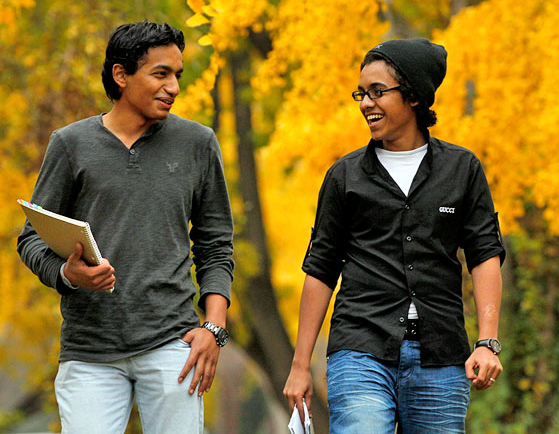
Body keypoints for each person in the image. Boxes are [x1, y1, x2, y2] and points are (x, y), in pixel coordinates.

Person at [17, 21, 234, 434]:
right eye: (160, 74)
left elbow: (216, 244)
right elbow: (31, 238)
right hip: (88, 350)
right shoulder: (70, 144)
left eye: (177, 75)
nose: (173, 86)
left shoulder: (198, 143)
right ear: (121, 75)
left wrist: (214, 326)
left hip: (175, 343)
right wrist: (68, 274)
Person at [283, 38, 506, 433]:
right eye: (362, 94)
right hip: (360, 349)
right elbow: (320, 269)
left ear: (415, 96)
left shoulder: (463, 170)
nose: (366, 103)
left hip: (441, 356)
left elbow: (484, 255)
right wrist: (300, 366)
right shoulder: (345, 176)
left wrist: (487, 341)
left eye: (378, 92)